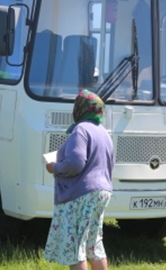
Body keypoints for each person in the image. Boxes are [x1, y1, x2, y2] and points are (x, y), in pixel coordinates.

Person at [43, 89, 114, 270]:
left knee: (75, 247)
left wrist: (54, 167)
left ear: (80, 109)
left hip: (80, 194)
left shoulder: (81, 130)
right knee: (93, 244)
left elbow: (75, 163)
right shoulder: (104, 133)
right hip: (102, 192)